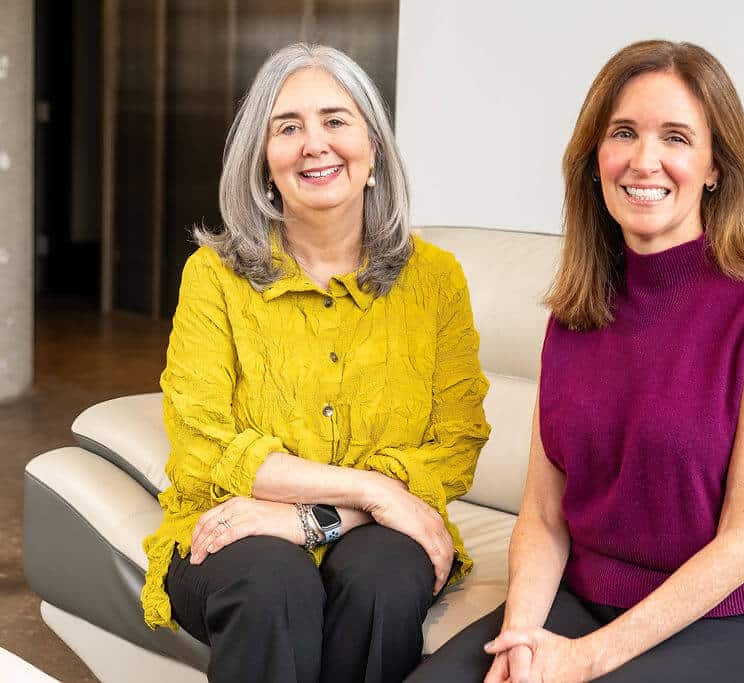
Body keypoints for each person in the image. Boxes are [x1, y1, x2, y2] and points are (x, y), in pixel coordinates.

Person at [408, 40, 744, 682]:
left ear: (716, 164)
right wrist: (522, 637)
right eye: (625, 133)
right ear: (596, 156)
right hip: (585, 600)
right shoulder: (577, 312)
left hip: (740, 619)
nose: (644, 160)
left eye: (675, 137)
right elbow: (545, 515)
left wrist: (584, 661)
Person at [139, 43, 490, 683]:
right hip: (232, 533)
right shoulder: (213, 277)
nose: (314, 144)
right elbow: (204, 445)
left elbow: (457, 442)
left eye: (335, 120)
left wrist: (314, 519)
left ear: (373, 150)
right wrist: (375, 492)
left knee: (383, 576)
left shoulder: (436, 281)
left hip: (370, 536)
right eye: (288, 127)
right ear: (264, 163)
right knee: (274, 581)